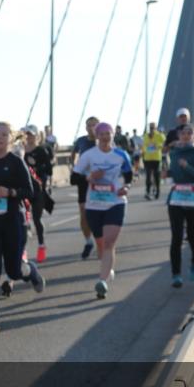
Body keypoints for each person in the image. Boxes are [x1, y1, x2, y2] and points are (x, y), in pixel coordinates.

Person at [0, 122, 44, 335]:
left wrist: (10, 192)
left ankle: (29, 270)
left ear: (10, 139)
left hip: (13, 222)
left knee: (13, 270)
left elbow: (30, 191)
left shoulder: (15, 162)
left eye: (4, 134)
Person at [72, 122, 133, 299]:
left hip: (116, 202)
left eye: (109, 133)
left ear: (113, 135)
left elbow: (129, 176)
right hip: (94, 204)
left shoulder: (121, 155)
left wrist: (126, 187)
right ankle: (107, 268)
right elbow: (74, 178)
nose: (106, 137)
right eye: (102, 134)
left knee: (108, 244)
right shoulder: (89, 155)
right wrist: (89, 177)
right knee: (100, 243)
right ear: (97, 136)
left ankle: (102, 282)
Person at [167, 123, 194, 288]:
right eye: (183, 133)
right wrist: (168, 173)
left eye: (189, 133)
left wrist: (187, 167)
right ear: (179, 135)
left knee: (193, 235)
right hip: (176, 198)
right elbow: (175, 172)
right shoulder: (174, 152)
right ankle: (176, 275)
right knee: (176, 237)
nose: (185, 135)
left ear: (193, 135)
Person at [22, 124, 54, 263]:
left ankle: (41, 245)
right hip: (22, 190)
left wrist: (36, 166)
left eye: (30, 134)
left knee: (37, 218)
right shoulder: (20, 151)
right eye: (26, 134)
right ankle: (22, 251)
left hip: (37, 190)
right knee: (21, 220)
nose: (27, 136)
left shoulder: (41, 151)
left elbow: (49, 170)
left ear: (36, 136)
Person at [71, 116, 100, 259]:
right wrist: (75, 166)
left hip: (99, 180)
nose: (91, 128)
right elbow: (74, 154)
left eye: (94, 125)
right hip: (83, 179)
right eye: (89, 125)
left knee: (98, 212)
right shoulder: (81, 141)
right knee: (83, 212)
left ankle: (100, 239)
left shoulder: (104, 141)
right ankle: (89, 242)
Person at [142, 122, 165, 199]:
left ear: (156, 128)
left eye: (153, 127)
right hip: (148, 158)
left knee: (156, 175)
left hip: (156, 158)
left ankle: (157, 191)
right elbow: (144, 145)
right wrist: (145, 150)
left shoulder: (159, 135)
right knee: (148, 176)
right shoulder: (145, 136)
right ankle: (148, 192)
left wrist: (157, 145)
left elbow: (164, 143)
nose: (152, 129)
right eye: (151, 127)